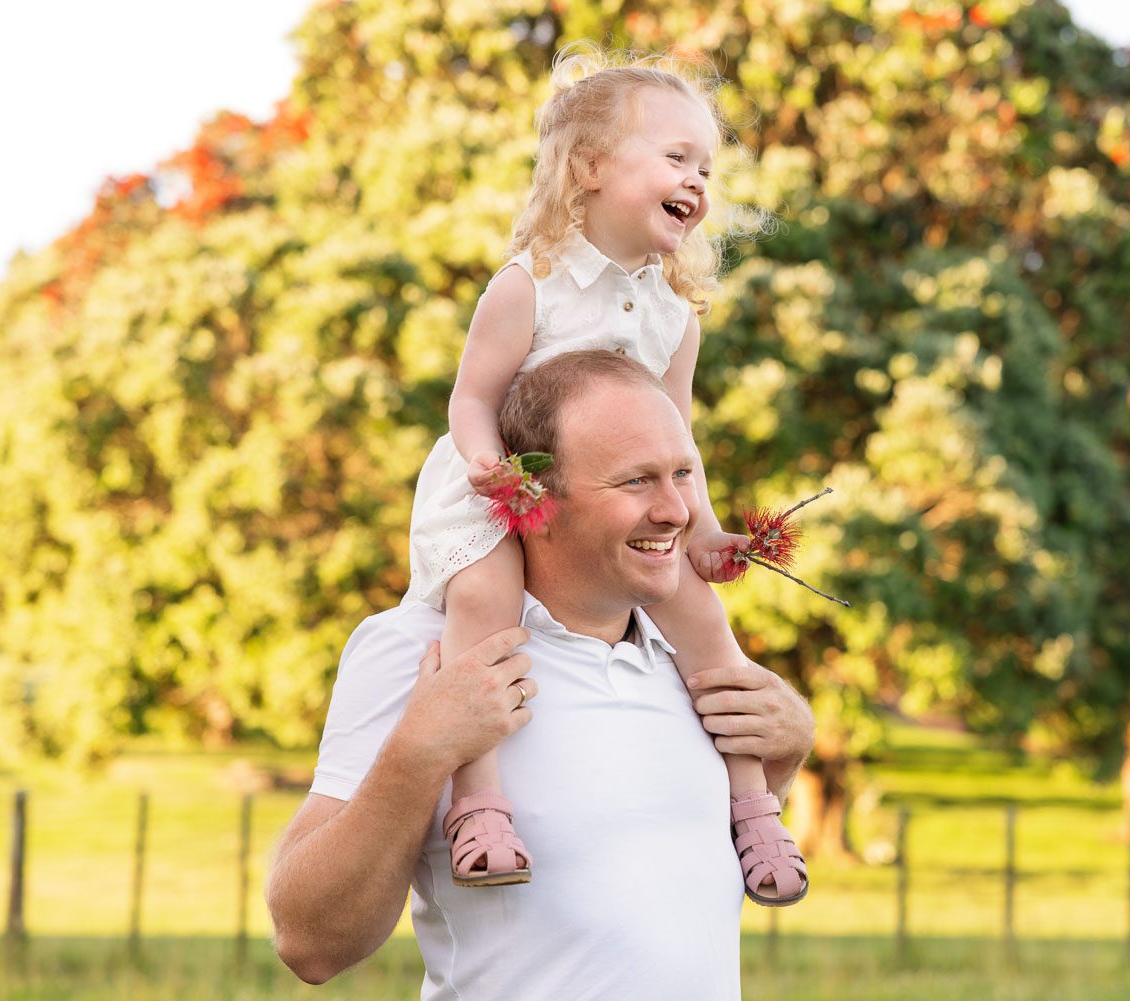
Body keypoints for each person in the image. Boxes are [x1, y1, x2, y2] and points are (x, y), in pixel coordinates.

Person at [268, 351, 816, 998]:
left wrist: (785, 754)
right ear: (534, 497)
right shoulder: (425, 650)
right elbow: (310, 944)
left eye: (682, 474)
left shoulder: (695, 661)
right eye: (635, 481)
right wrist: (419, 749)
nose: (677, 511)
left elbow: (671, 894)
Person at [402, 42, 805, 901]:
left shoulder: (675, 316)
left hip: (622, 510)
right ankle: (479, 803)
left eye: (706, 167)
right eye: (675, 157)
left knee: (707, 626)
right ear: (587, 167)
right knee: (484, 600)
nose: (696, 180)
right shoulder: (530, 284)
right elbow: (472, 398)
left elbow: (678, 444)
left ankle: (754, 810)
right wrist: (488, 466)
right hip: (509, 489)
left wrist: (704, 528)